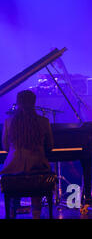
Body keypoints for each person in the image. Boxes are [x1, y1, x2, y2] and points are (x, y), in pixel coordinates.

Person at [0, 90, 54, 219]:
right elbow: (50, 147)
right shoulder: (44, 121)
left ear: (18, 103)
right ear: (34, 102)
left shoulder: (8, 122)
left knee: (13, 177)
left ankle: (12, 211)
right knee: (38, 175)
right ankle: (36, 215)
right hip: (37, 166)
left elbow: (5, 147)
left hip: (13, 167)